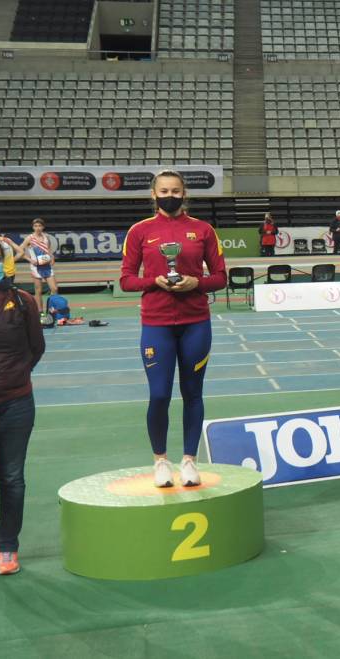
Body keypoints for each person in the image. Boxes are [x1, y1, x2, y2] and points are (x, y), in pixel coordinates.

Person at [119, 170, 227, 488]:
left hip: (196, 322)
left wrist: (197, 283)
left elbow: (221, 276)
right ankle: (161, 461)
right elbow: (125, 280)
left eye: (176, 190)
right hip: (156, 324)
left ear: (184, 194)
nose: (170, 195)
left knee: (193, 393)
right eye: (164, 190)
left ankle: (190, 461)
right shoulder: (139, 231)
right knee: (160, 394)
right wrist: (154, 281)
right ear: (154, 195)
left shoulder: (203, 230)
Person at [0, 235, 45, 576]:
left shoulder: (22, 301)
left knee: (12, 479)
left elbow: (36, 347)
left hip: (16, 404)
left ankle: (7, 547)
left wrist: (15, 376)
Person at [19, 218, 58, 308]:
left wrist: (52, 258)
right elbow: (19, 250)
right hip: (36, 267)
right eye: (35, 226)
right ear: (33, 227)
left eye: (40, 226)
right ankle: (40, 312)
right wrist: (30, 260)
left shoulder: (46, 237)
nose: (38, 228)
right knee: (38, 291)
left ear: (43, 227)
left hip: (47, 266)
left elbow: (48, 250)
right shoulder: (30, 238)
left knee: (54, 288)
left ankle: (52, 309)